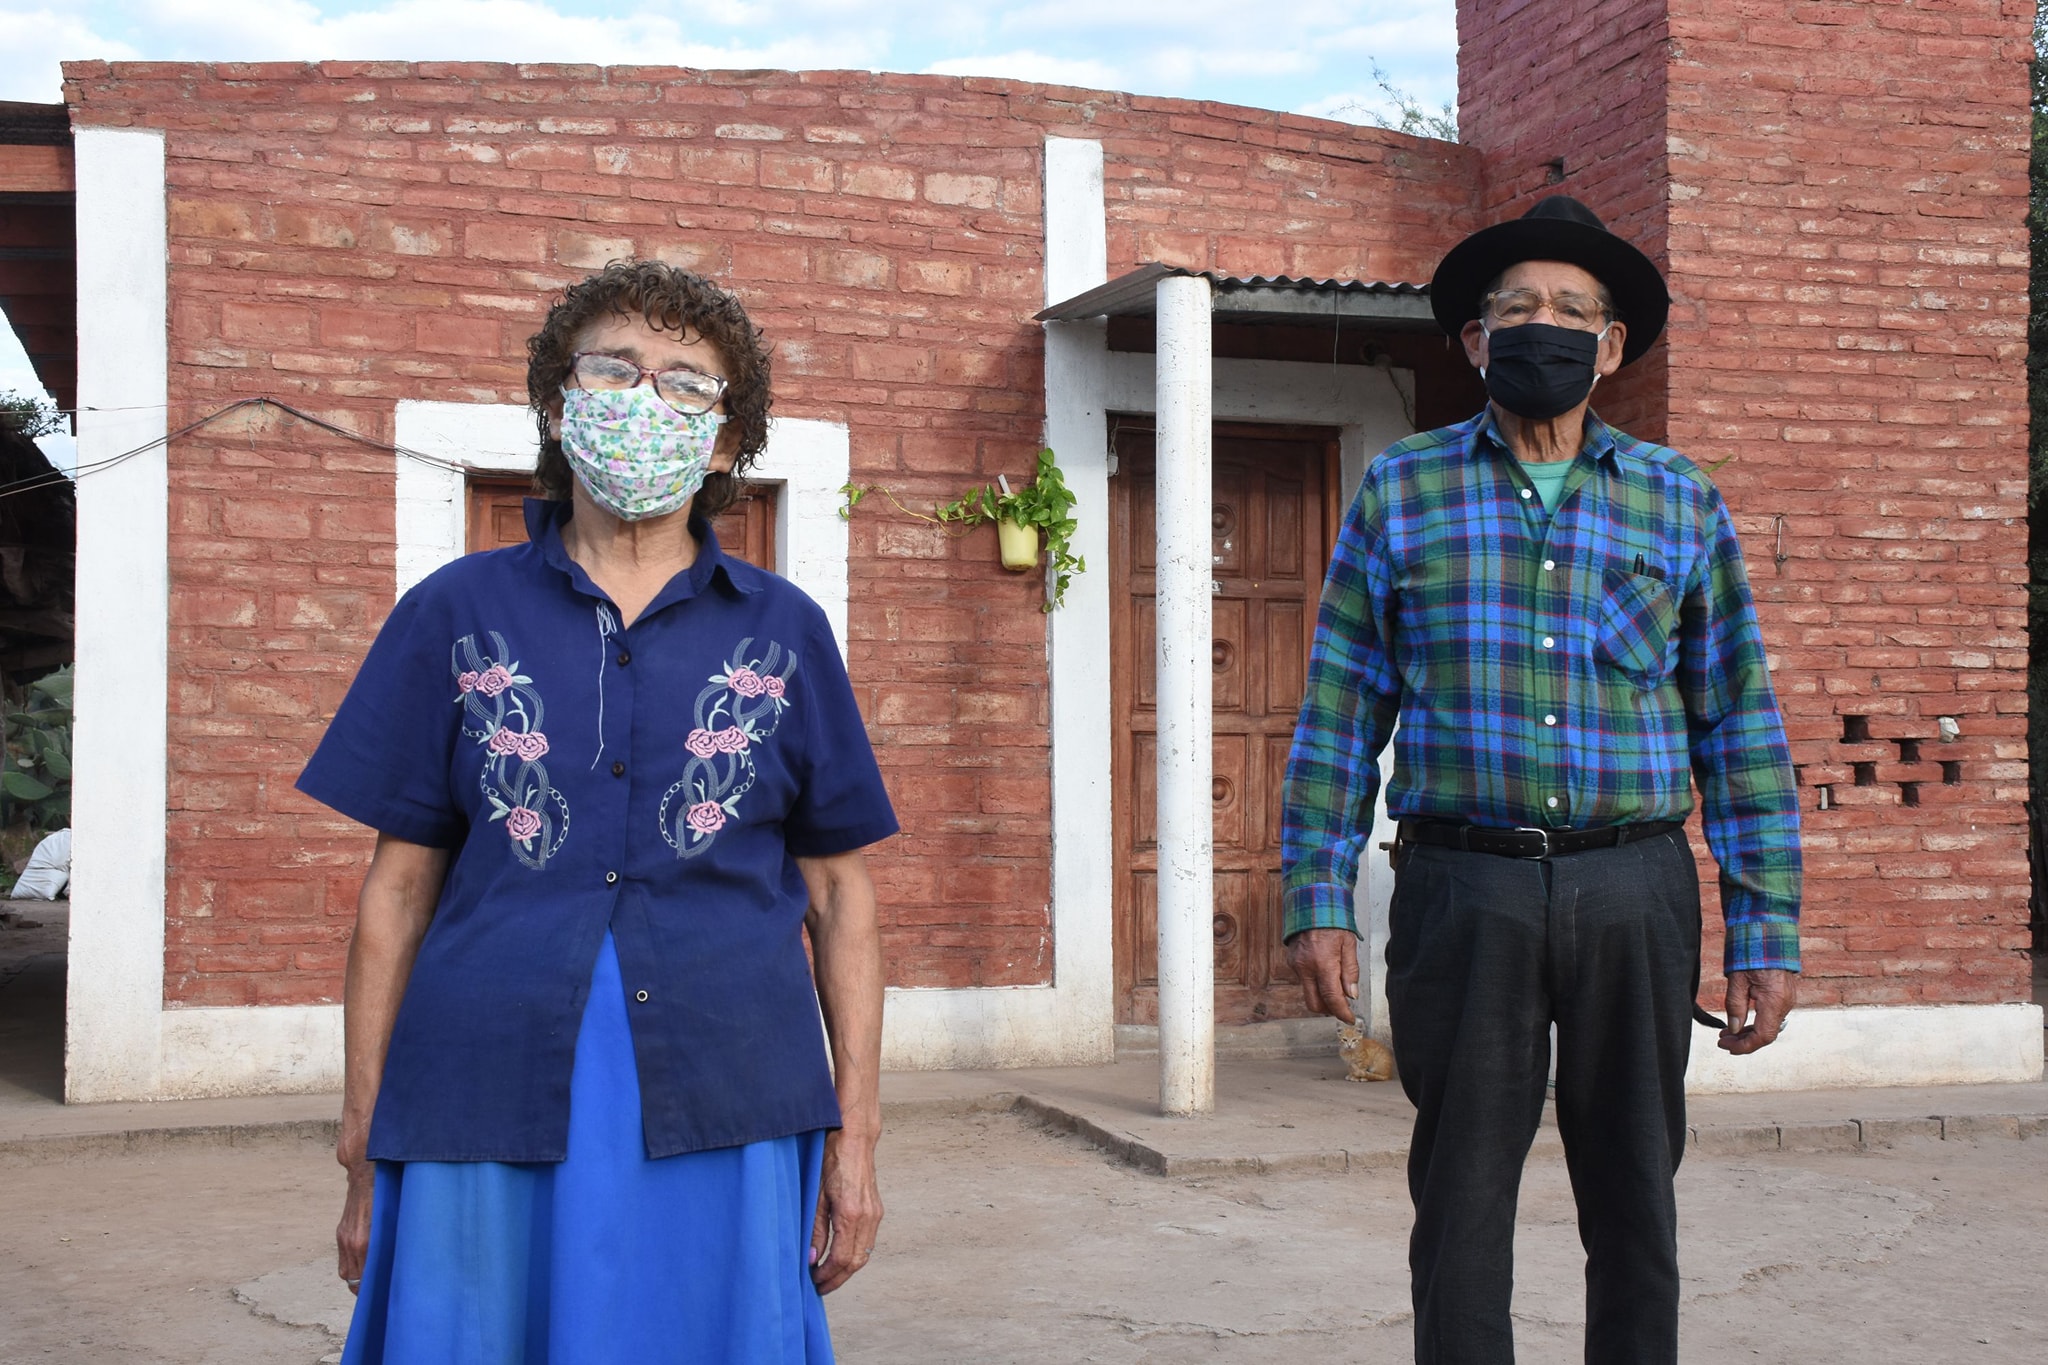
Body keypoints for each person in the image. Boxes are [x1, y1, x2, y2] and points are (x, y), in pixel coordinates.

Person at [298, 260, 898, 1363]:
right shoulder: (453, 614)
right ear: (557, 405)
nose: (645, 401)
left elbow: (838, 896)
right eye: (614, 371)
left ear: (723, 442)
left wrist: (855, 1139)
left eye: (685, 384)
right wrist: (363, 1136)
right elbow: (398, 889)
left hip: (730, 1086)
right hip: (480, 1083)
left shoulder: (784, 632)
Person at [1279, 195, 1801, 1363]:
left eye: (1570, 310)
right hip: (1464, 890)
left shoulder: (1676, 498)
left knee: (1634, 1194)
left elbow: (1738, 725)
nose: (1542, 326)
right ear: (1475, 339)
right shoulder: (1402, 489)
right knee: (1459, 1201)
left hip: (1633, 889)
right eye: (1515, 307)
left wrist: (1764, 930)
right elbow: (1338, 711)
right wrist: (1316, 898)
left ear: (1609, 346)